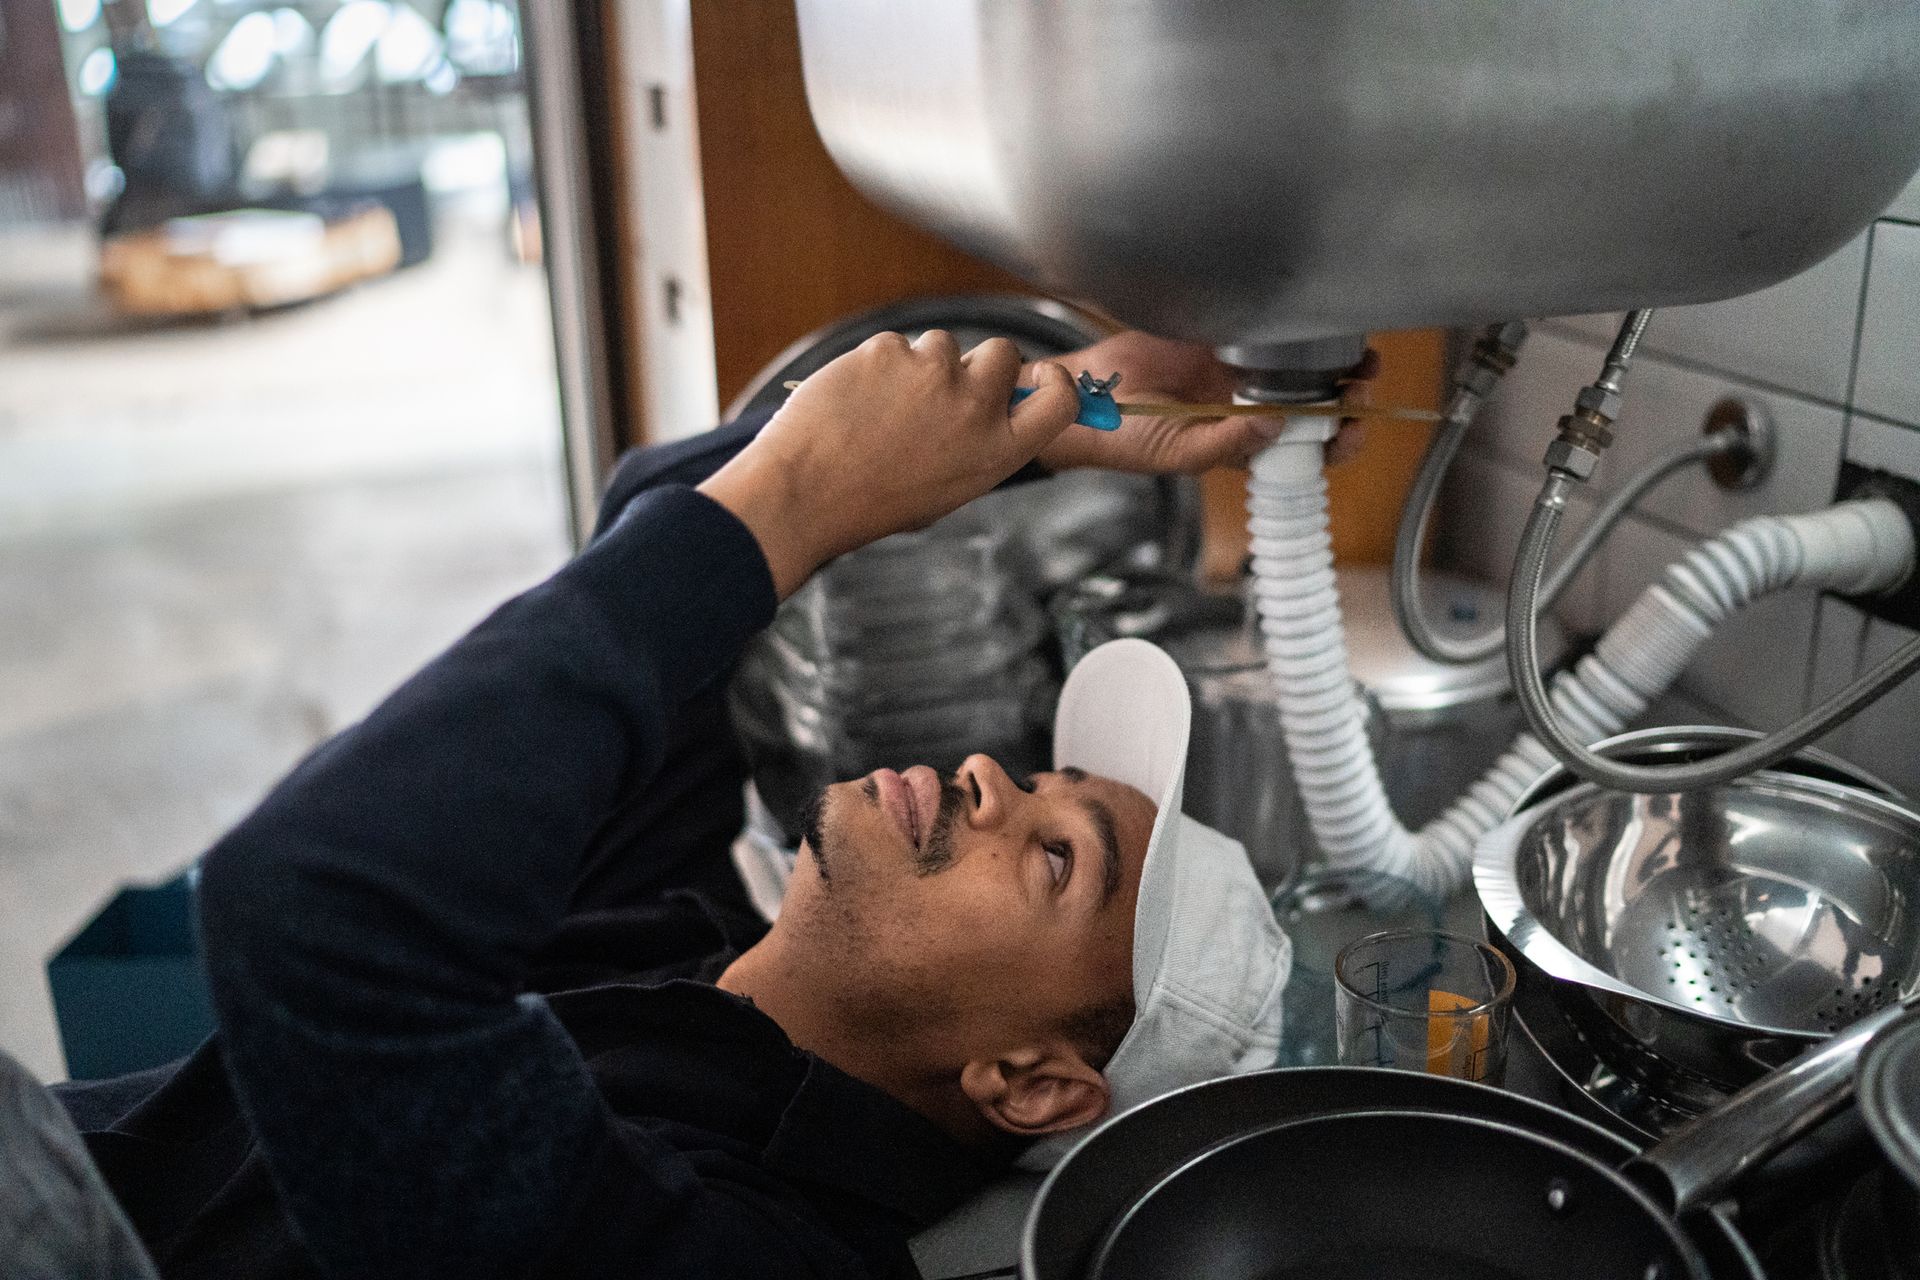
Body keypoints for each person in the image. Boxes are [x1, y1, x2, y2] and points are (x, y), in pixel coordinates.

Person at [23, 329, 1347, 1279]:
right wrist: (1059, 409)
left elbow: (315, 919)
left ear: (1031, 1084)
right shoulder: (683, 951)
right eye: (1041, 776)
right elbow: (656, 514)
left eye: (1058, 858)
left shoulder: (731, 1244)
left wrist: (797, 503)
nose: (990, 779)